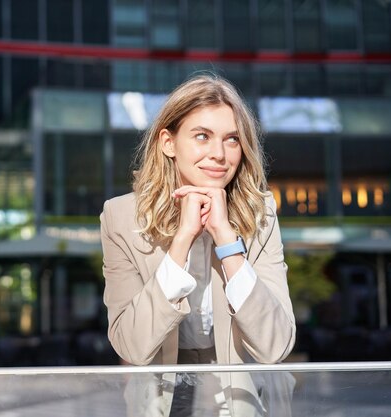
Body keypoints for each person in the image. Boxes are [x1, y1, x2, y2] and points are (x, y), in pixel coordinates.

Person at [100, 74, 296, 416]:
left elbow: (275, 345)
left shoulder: (260, 213)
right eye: (202, 136)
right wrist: (182, 242)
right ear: (168, 143)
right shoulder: (120, 217)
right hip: (159, 396)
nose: (219, 154)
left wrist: (225, 238)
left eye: (232, 139)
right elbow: (131, 345)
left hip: (245, 395)